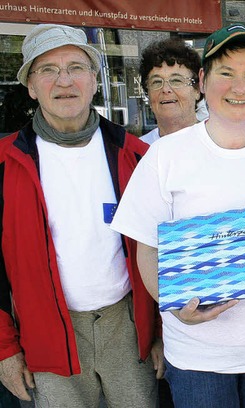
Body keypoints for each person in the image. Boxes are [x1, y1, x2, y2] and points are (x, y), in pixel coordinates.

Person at [110, 23, 245, 408]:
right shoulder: (165, 157)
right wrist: (176, 309)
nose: (239, 87)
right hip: (196, 355)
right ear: (202, 80)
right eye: (226, 74)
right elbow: (146, 251)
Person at [0, 24, 160, 407]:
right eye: (48, 70)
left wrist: (160, 332)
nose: (64, 80)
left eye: (75, 67)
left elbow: (161, 250)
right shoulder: (6, 162)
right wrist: (4, 348)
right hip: (45, 333)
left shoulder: (136, 156)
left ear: (94, 80)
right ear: (31, 86)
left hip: (128, 327)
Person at [139, 38, 202, 144]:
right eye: (156, 82)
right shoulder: (136, 152)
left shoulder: (220, 144)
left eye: (176, 81)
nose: (166, 89)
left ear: (197, 89)